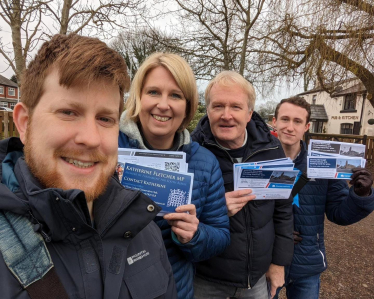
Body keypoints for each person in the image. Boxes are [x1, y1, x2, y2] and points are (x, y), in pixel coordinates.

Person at [0, 34, 176, 299]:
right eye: (69, 112)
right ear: (25, 123)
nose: (91, 138)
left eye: (105, 118)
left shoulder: (143, 230)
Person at [118, 52, 230, 299]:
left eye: (176, 95)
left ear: (188, 106)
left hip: (174, 290)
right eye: (153, 92)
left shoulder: (204, 162)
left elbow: (221, 235)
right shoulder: (106, 148)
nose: (163, 104)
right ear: (138, 97)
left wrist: (194, 235)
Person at [191, 70, 294, 299]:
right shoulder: (192, 151)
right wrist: (215, 208)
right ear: (208, 110)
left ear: (249, 113)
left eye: (236, 107)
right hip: (205, 279)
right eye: (218, 106)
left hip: (255, 280)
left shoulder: (272, 148)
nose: (226, 115)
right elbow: (175, 215)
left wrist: (279, 263)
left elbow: (283, 210)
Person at [272, 96, 374, 299]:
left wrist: (361, 195)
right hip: (267, 260)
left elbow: (339, 214)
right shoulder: (257, 162)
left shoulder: (323, 163)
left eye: (297, 121)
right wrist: (274, 233)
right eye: (285, 119)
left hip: (307, 263)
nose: (290, 127)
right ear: (274, 121)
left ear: (307, 126)